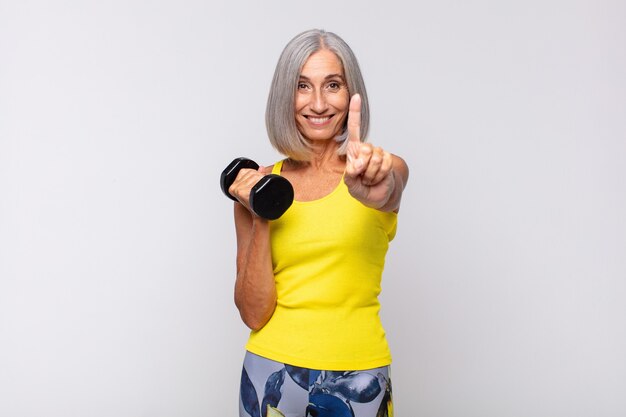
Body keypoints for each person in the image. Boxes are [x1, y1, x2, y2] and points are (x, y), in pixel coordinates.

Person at [229, 29, 409, 417]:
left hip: (358, 375)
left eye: (333, 85)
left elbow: (390, 188)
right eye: (302, 86)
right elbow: (253, 313)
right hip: (269, 369)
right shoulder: (259, 185)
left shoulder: (380, 170)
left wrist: (376, 190)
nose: (319, 103)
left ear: (351, 94)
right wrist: (263, 209)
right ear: (285, 95)